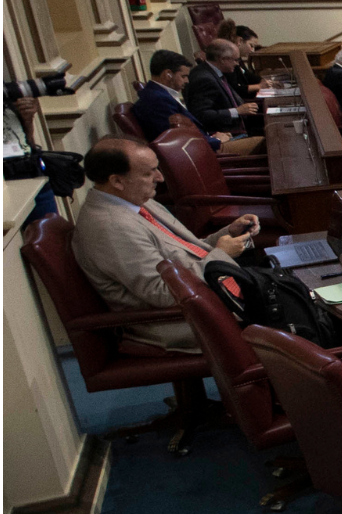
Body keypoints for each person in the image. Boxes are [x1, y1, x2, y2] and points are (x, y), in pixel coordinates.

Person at [71, 137, 256, 354]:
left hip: (210, 294)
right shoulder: (109, 226)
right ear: (117, 181)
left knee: (293, 288)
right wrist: (221, 254)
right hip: (183, 319)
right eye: (149, 172)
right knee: (294, 316)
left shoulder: (135, 200)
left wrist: (226, 235)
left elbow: (186, 250)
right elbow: (163, 293)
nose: (159, 177)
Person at [135, 50, 246, 152]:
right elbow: (177, 140)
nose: (187, 81)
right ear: (167, 74)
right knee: (260, 143)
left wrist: (213, 137)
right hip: (203, 152)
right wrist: (216, 140)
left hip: (205, 142)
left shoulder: (159, 94)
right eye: (183, 76)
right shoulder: (158, 101)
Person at [185, 40, 264, 150]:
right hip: (229, 134)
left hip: (240, 125)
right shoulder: (204, 79)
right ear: (222, 59)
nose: (237, 64)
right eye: (235, 60)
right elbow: (200, 115)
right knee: (270, 140)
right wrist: (236, 111)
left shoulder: (215, 72)